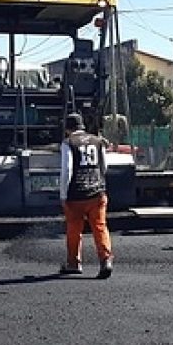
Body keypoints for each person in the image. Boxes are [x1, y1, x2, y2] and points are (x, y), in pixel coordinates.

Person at [59, 113, 114, 279]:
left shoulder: (68, 143)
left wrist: (63, 194)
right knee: (100, 226)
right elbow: (104, 166)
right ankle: (105, 260)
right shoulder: (97, 141)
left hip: (76, 194)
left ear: (68, 129)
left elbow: (67, 170)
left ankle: (73, 263)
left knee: (74, 228)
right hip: (97, 192)